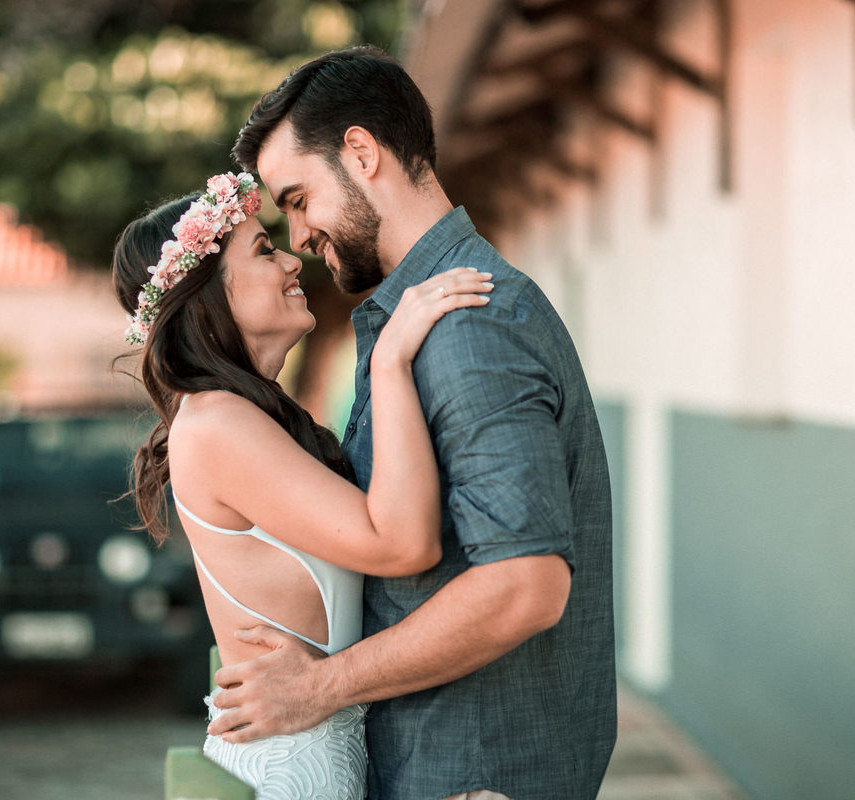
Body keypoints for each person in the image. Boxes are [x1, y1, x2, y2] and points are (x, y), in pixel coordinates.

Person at [210, 46, 617, 800]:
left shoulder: (469, 328)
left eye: (298, 199)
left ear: (361, 154)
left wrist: (321, 686)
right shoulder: (423, 320)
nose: (298, 235)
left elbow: (526, 584)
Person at [112, 170, 494, 799]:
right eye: (263, 251)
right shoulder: (216, 425)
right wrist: (390, 362)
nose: (292, 259)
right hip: (287, 774)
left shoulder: (244, 417)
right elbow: (403, 544)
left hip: (314, 761)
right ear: (207, 296)